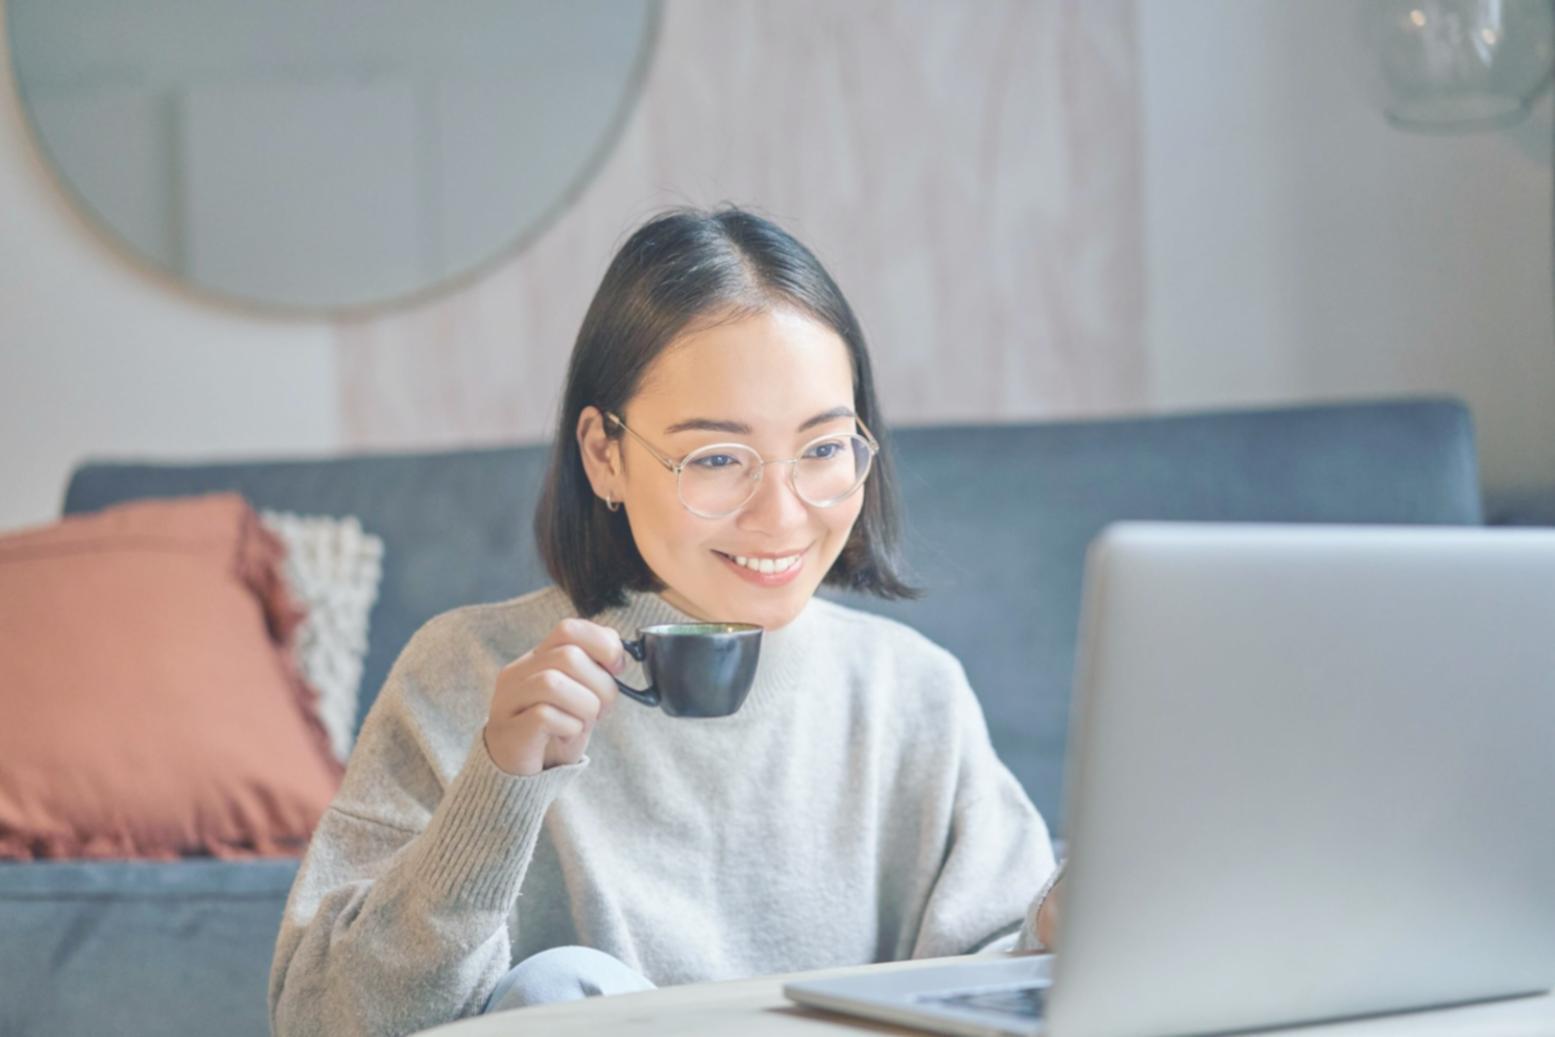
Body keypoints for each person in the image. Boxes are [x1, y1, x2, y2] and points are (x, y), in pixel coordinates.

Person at [268, 206, 1065, 1037]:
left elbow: (1001, 978)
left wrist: (1054, 928)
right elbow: (322, 1023)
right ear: (604, 455)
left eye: (824, 448)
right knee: (559, 987)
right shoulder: (466, 674)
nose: (781, 513)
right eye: (717, 458)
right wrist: (497, 789)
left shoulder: (913, 691)